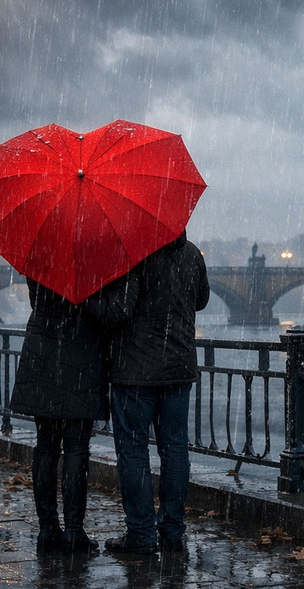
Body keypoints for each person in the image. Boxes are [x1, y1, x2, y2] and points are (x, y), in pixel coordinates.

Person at [104, 230, 209, 555]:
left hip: (135, 370)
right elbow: (202, 299)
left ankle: (141, 533)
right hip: (178, 368)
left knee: (134, 451)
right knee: (175, 449)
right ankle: (172, 531)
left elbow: (121, 310)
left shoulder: (134, 252)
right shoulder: (192, 254)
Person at [9, 279, 126, 556]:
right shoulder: (93, 266)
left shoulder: (41, 261)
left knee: (46, 447)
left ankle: (47, 528)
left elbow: (38, 304)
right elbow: (105, 315)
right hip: (81, 359)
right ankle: (73, 530)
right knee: (76, 449)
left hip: (43, 358)